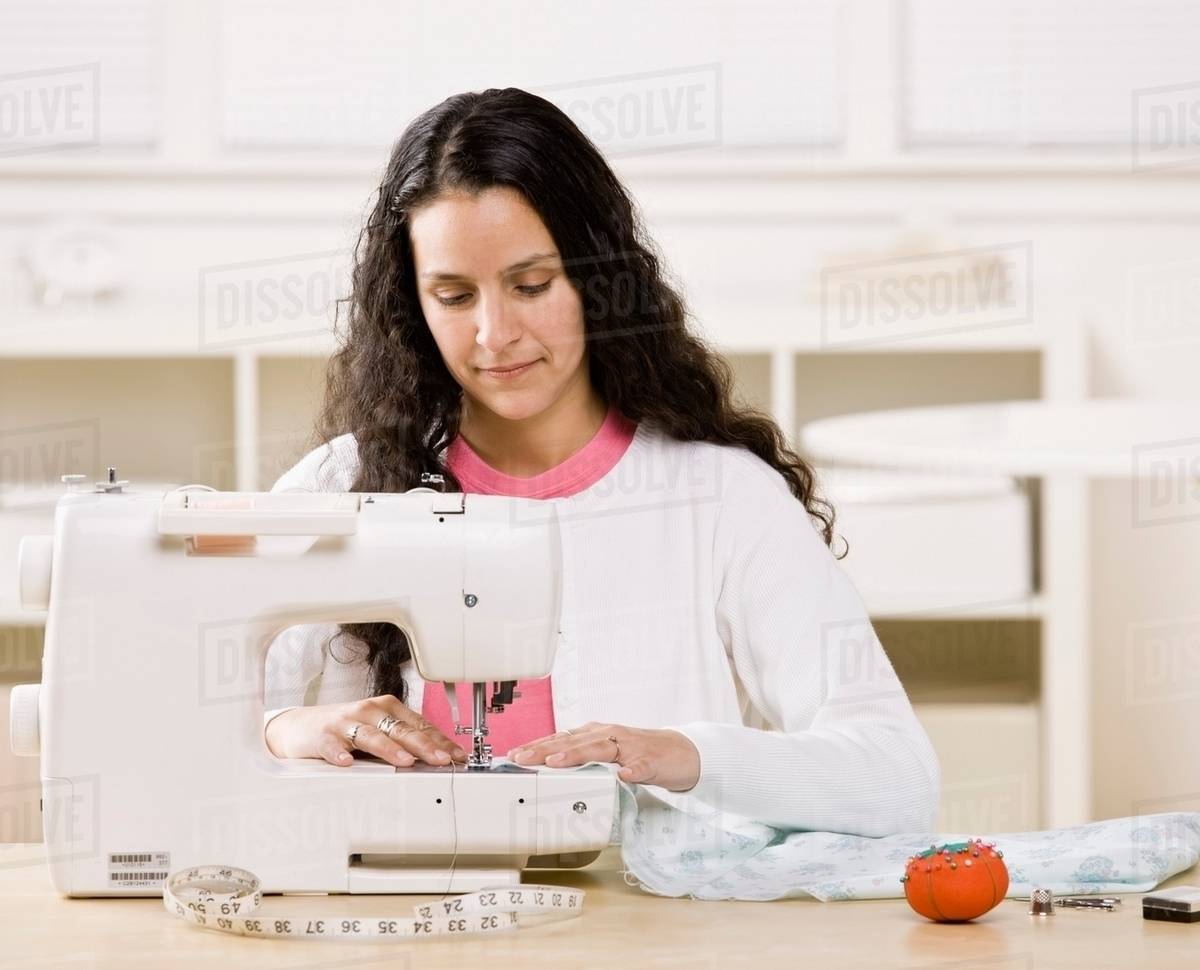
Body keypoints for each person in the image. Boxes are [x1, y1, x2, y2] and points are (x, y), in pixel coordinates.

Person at [262, 87, 940, 836]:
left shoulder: (719, 499)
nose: (494, 334)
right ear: (411, 306)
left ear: (597, 275)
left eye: (531, 286)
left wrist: (682, 756)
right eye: (453, 296)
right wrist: (280, 728)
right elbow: (159, 726)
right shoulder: (338, 491)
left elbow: (897, 777)